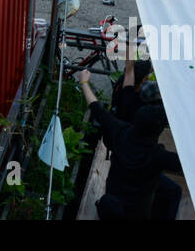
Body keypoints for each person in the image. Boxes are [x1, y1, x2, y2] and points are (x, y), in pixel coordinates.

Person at [78, 69, 182, 221]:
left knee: (171, 190)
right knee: (174, 191)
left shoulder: (120, 131)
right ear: (157, 129)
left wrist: (84, 82)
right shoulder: (158, 156)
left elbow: (96, 108)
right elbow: (189, 165)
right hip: (136, 214)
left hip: (112, 204)